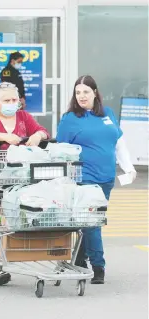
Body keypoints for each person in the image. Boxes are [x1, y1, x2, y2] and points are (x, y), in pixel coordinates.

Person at [56, 75, 137, 284]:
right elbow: (60, 151)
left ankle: (80, 259)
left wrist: (129, 168)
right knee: (93, 222)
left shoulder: (107, 114)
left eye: (85, 92)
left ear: (94, 92)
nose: (81, 96)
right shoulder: (70, 119)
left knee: (89, 221)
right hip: (84, 178)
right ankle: (98, 265)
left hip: (106, 178)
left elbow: (119, 143)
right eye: (77, 92)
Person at [0, 82, 49, 282]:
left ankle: (14, 255)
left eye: (14, 100)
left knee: (15, 216)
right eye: (6, 100)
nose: (11, 103)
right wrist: (5, 136)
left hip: (17, 176)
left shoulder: (23, 117)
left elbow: (43, 131)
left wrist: (37, 135)